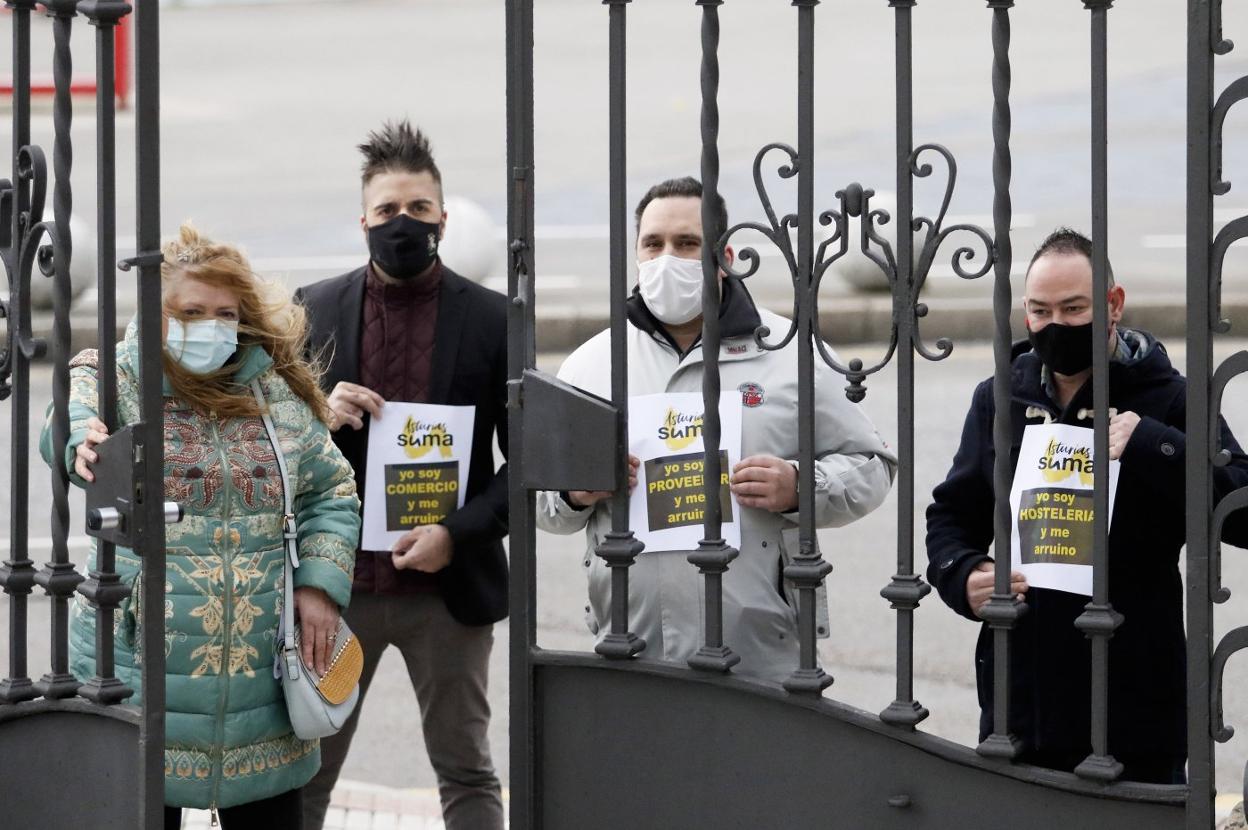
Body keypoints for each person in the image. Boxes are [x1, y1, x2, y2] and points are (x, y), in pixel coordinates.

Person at [41, 225, 361, 828]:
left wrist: (320, 586)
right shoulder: (115, 378)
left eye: (225, 314)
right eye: (191, 311)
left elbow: (331, 489)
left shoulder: (275, 393)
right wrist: (77, 442)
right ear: (156, 311)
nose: (210, 327)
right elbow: (67, 421)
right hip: (138, 669)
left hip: (262, 682)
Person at [536, 176, 897, 682]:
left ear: (724, 254)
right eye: (653, 243)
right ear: (636, 252)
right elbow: (538, 499)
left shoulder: (790, 354)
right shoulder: (592, 364)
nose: (668, 258)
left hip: (756, 647)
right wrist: (573, 492)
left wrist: (800, 486)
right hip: (629, 644)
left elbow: (873, 466)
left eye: (688, 244)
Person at [925, 227, 1248, 784]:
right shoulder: (1000, 396)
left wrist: (1153, 443)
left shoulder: (1169, 397)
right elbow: (952, 516)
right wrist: (964, 574)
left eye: (1074, 309)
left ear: (1113, 305)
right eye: (1041, 310)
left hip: (1135, 693)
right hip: (1022, 694)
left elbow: (1241, 506)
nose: (1057, 326)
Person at [296, 120, 508, 830]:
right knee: (304, 770)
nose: (403, 224)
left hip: (446, 593)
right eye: (388, 210)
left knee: (467, 770)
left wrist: (457, 533)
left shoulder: (493, 320)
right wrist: (317, 416)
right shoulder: (312, 310)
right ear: (363, 220)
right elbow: (266, 449)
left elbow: (529, 462)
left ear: (444, 219)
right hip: (335, 588)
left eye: (419, 210)